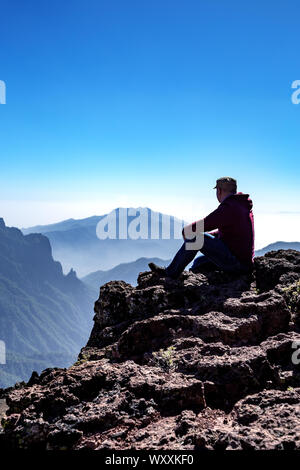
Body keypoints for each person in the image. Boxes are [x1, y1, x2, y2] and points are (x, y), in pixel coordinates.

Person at [149, 177, 255, 279]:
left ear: (219, 191)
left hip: (238, 264)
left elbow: (207, 223)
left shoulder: (229, 207)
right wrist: (210, 237)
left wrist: (188, 231)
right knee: (199, 262)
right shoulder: (241, 205)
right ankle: (195, 278)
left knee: (196, 238)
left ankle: (170, 273)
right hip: (242, 262)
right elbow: (231, 233)